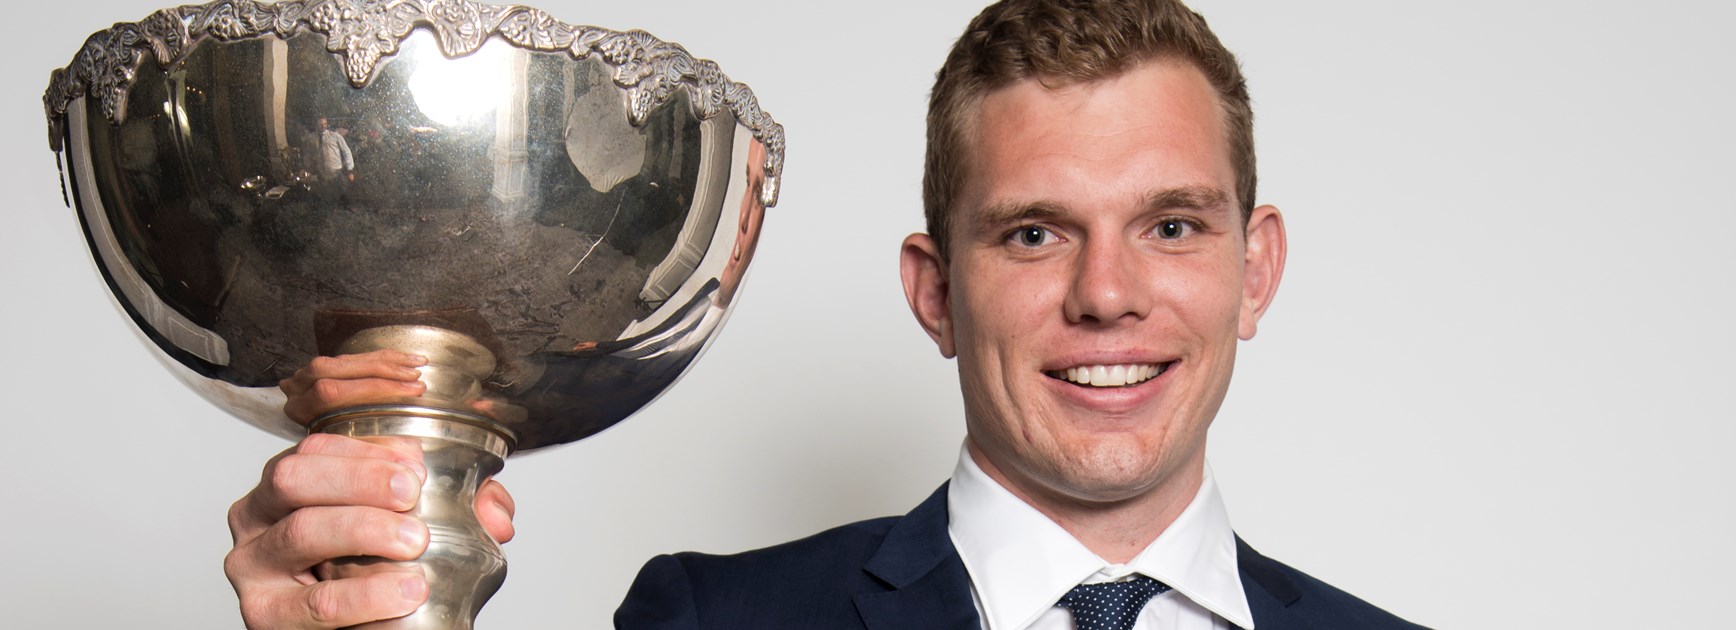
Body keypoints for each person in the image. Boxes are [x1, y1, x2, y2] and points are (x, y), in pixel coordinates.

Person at [225, 1, 1425, 628]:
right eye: (1032, 233)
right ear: (934, 292)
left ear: (1253, 270)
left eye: (1169, 226)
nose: (1105, 294)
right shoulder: (714, 625)